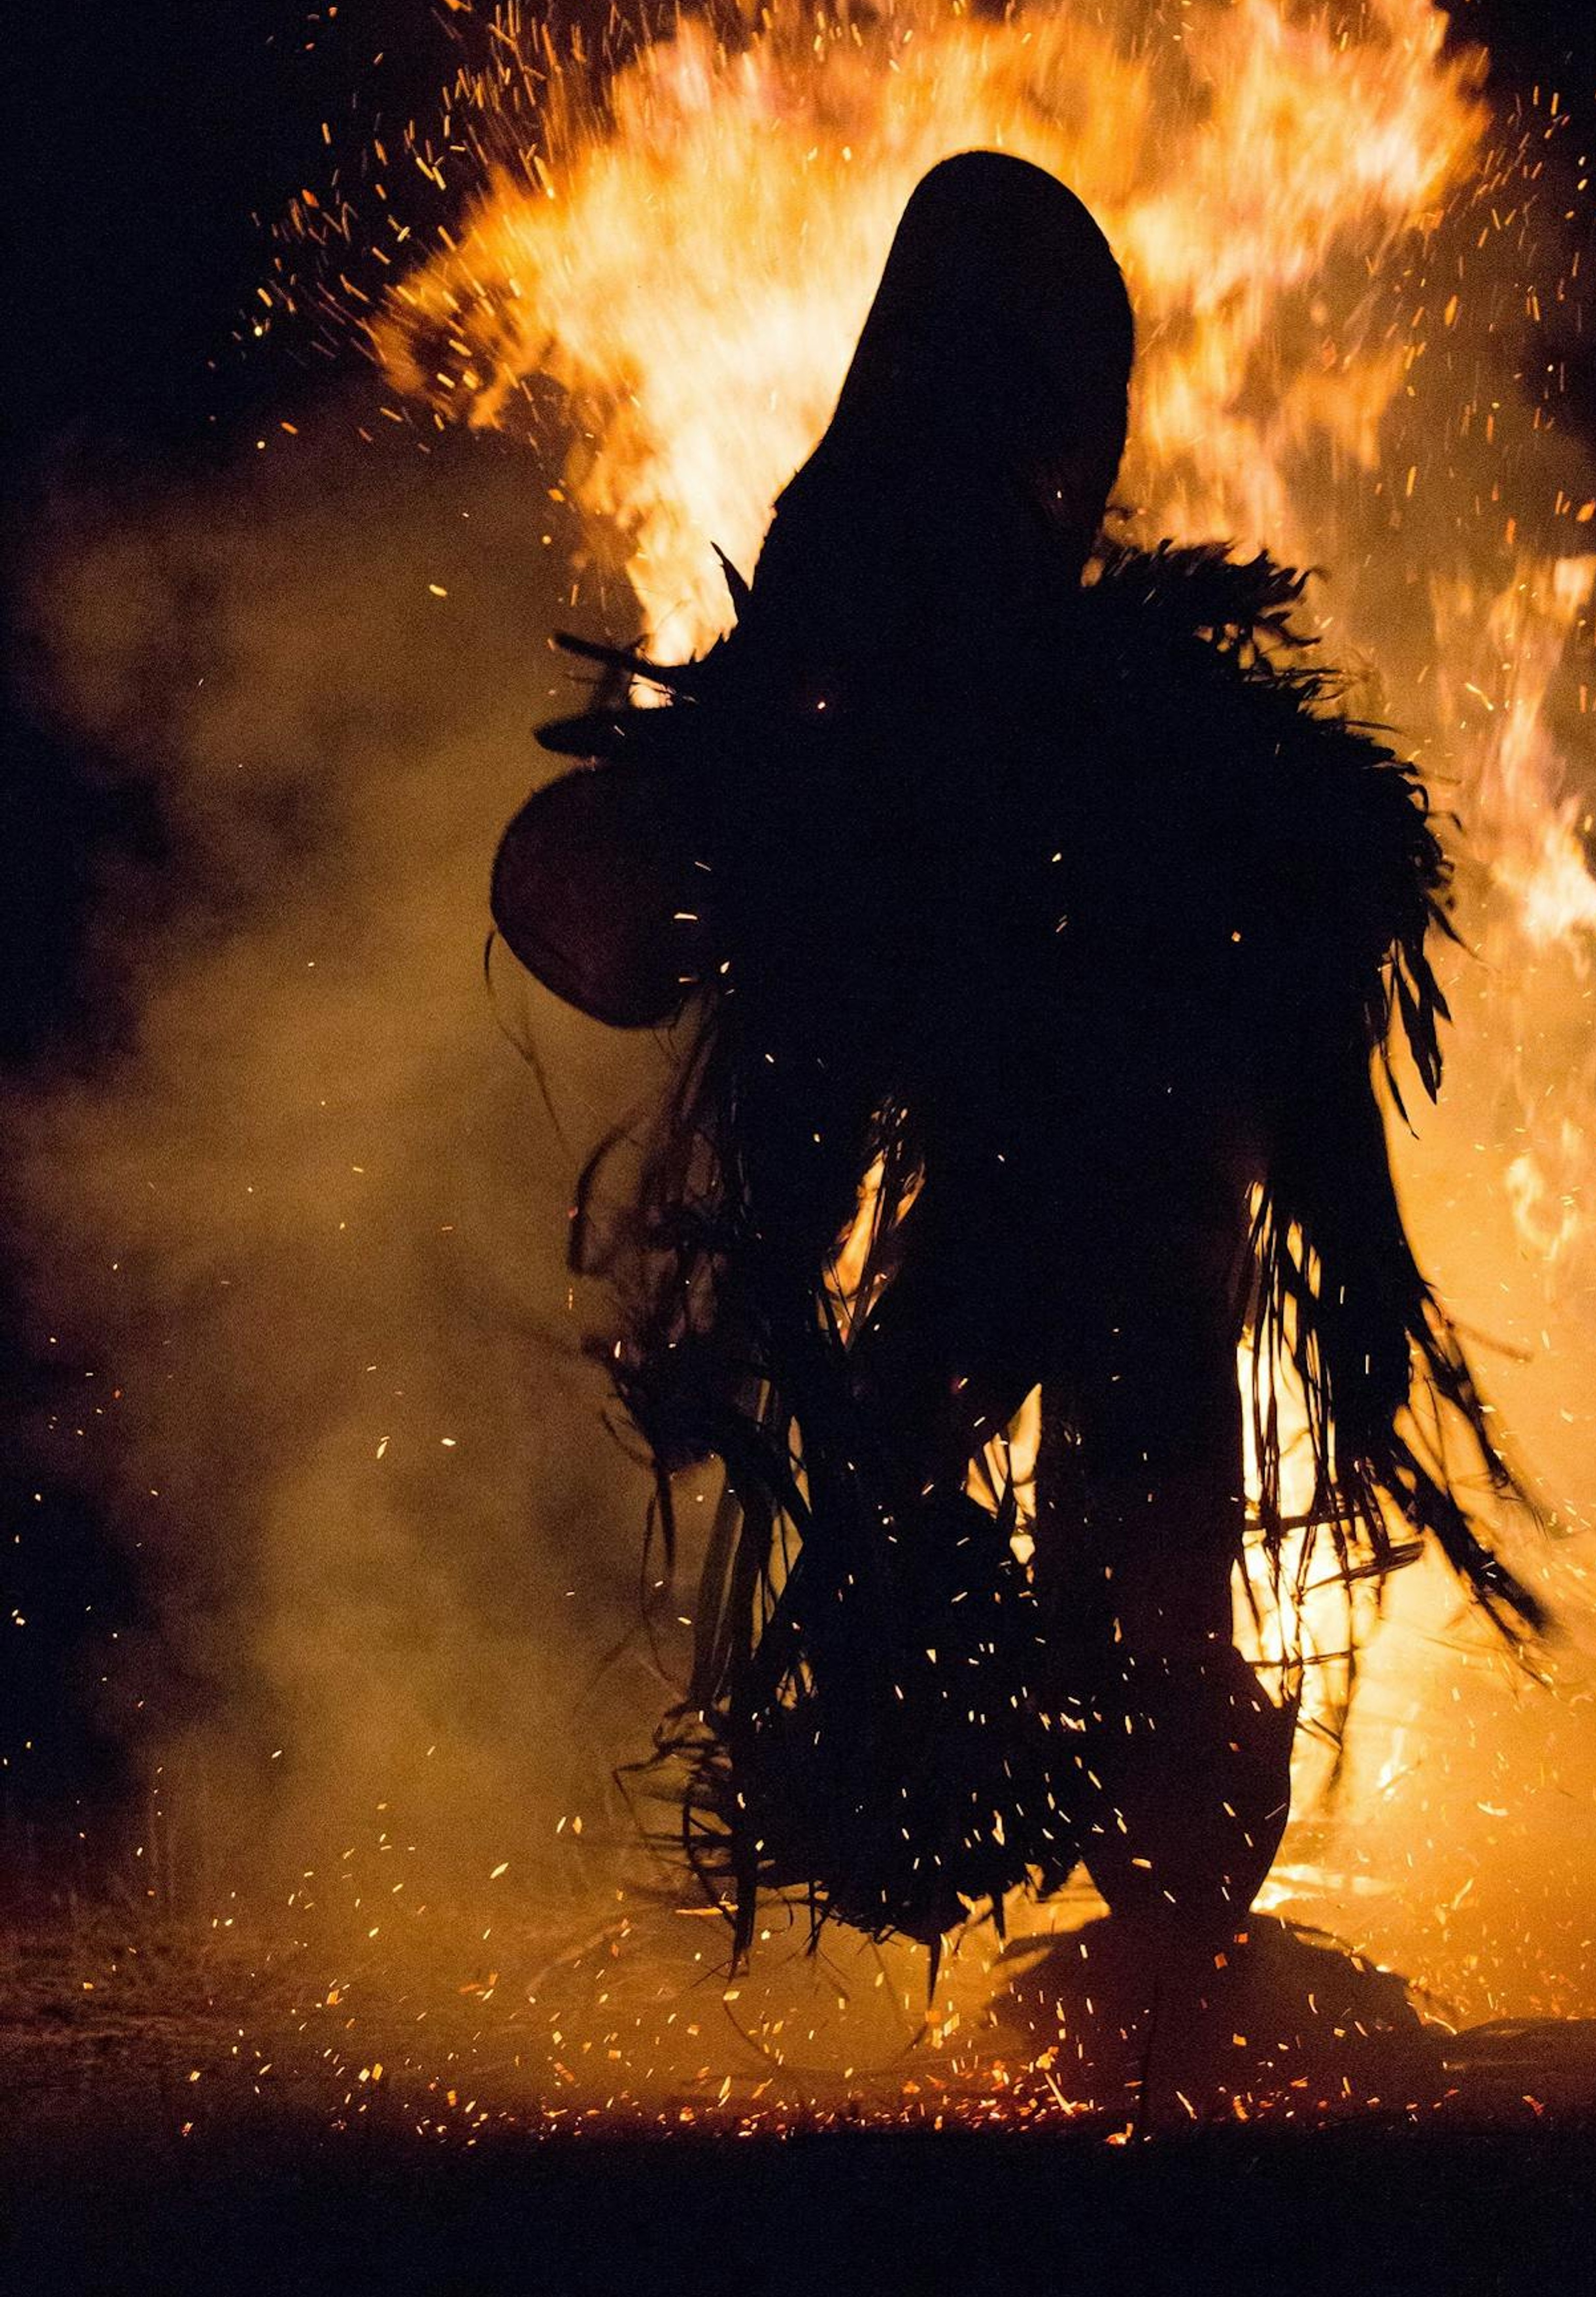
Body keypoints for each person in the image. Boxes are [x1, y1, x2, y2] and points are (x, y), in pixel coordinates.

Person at [493, 150, 1536, 1964]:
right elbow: (756, 845)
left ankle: (1161, 1941)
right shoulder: (882, 583)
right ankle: (1099, 1891)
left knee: (1102, 1521)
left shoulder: (964, 625)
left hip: (1128, 1134)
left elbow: (829, 838)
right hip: (1064, 1138)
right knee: (1006, 1502)